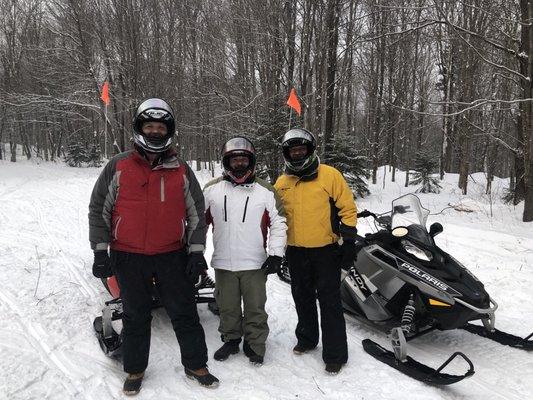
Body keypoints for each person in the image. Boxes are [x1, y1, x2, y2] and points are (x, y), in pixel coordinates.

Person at [88, 98, 219, 395]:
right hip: (128, 254)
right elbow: (99, 209)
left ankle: (196, 364)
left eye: (161, 127)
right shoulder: (118, 166)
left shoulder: (181, 169)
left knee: (184, 311)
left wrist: (197, 252)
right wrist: (99, 250)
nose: (155, 131)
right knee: (136, 314)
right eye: (150, 126)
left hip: (171, 253)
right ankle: (135, 369)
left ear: (169, 130)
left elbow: (196, 212)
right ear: (139, 128)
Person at [274, 128, 358, 374]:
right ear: (287, 154)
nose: (297, 154)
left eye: (301, 149)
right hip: (296, 251)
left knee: (330, 302)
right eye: (293, 151)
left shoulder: (329, 175)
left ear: (310, 150)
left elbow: (348, 208)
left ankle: (335, 353)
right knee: (302, 297)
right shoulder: (282, 182)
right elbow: (277, 217)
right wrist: (276, 250)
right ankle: (307, 338)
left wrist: (349, 242)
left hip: (325, 250)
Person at [203, 136, 287, 365]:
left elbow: (279, 223)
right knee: (227, 307)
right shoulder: (212, 190)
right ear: (226, 162)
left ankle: (255, 344)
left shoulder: (265, 191)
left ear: (251, 162)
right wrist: (194, 253)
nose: (239, 164)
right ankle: (231, 339)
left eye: (243, 160)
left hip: (255, 264)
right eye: (234, 160)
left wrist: (276, 254)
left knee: (255, 308)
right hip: (224, 263)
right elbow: (198, 224)